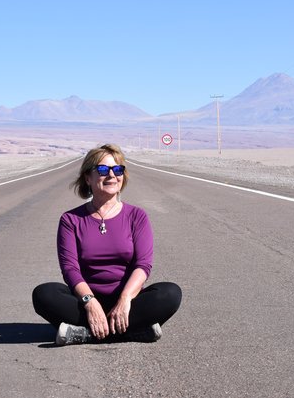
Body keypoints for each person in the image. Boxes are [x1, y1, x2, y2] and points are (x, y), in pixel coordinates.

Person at [32, 143, 182, 345]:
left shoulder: (136, 216)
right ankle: (131, 332)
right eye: (103, 169)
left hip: (128, 302)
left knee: (170, 293)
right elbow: (70, 269)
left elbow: (143, 264)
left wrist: (125, 299)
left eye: (117, 169)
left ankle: (85, 334)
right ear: (88, 177)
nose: (112, 175)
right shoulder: (71, 219)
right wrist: (90, 302)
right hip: (84, 301)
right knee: (44, 294)